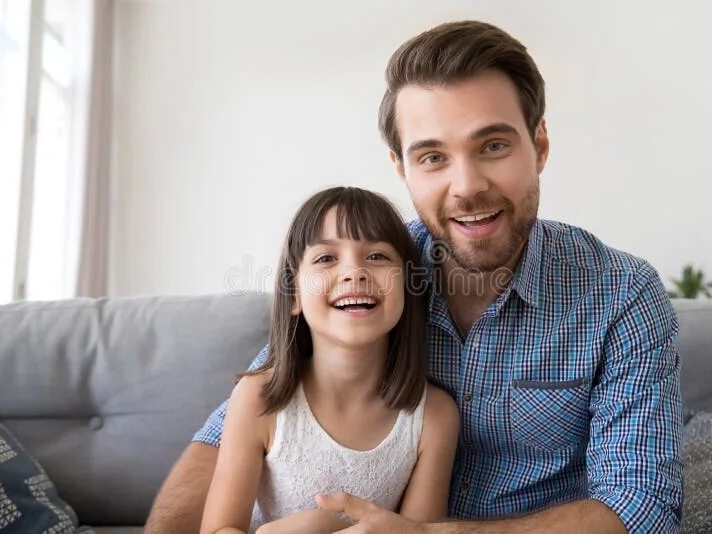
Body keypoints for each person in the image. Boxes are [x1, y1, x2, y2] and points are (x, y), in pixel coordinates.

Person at [147, 20, 682, 534]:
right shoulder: (366, 276)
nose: (466, 186)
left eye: (493, 146)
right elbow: (229, 434)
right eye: (432, 157)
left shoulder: (621, 294)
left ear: (538, 144)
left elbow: (642, 508)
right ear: (401, 168)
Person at [199, 187, 459, 534]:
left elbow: (418, 532)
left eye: (378, 256)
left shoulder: (435, 416)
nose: (355, 272)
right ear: (294, 294)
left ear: (409, 289)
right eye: (326, 258)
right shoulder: (258, 398)